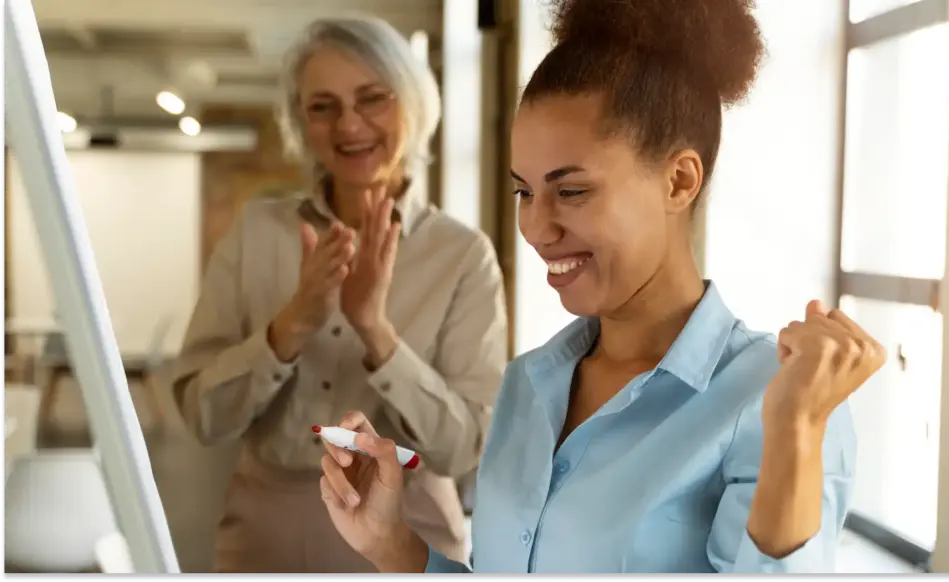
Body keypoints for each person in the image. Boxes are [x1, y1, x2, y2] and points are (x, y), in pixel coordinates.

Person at [319, 0, 887, 574]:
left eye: (572, 192)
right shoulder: (528, 385)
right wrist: (390, 541)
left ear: (679, 180)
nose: (536, 228)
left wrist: (795, 428)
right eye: (524, 192)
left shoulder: (777, 402)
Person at [171, 17, 507, 573]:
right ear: (300, 122)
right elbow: (202, 417)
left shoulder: (463, 256)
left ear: (416, 106)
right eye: (322, 106)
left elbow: (465, 449)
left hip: (410, 525)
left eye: (372, 99)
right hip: (265, 531)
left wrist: (375, 330)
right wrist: (290, 328)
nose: (348, 125)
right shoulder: (256, 233)